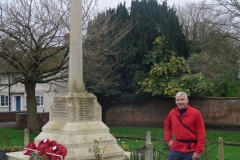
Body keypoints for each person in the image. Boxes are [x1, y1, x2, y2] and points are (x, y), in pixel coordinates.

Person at [163, 91, 206, 160]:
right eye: (178, 100)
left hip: (190, 149)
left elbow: (201, 132)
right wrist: (168, 140)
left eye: (182, 99)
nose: (180, 102)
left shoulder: (195, 113)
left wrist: (198, 150)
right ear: (175, 101)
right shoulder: (172, 113)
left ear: (187, 100)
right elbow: (167, 125)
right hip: (176, 148)